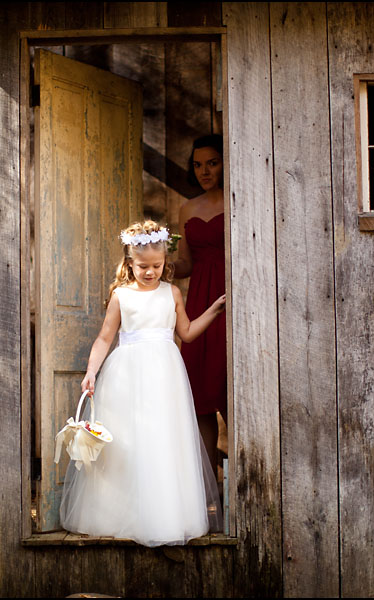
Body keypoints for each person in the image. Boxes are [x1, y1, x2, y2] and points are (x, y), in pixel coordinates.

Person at [60, 220, 225, 547]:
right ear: (130, 262)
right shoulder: (121, 296)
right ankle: (120, 514)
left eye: (157, 266)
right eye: (143, 266)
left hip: (165, 375)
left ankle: (167, 516)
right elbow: (104, 339)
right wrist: (91, 372)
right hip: (127, 375)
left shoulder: (172, 292)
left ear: (165, 263)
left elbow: (187, 332)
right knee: (130, 443)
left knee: (163, 441)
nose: (150, 272)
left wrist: (214, 309)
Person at [172, 134, 226, 479]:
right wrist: (155, 266)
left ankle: (244, 484)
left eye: (212, 162)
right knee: (200, 395)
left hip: (232, 297)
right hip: (198, 302)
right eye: (197, 165)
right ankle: (210, 490)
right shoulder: (187, 209)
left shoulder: (239, 200)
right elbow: (186, 264)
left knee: (230, 387)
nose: (204, 171)